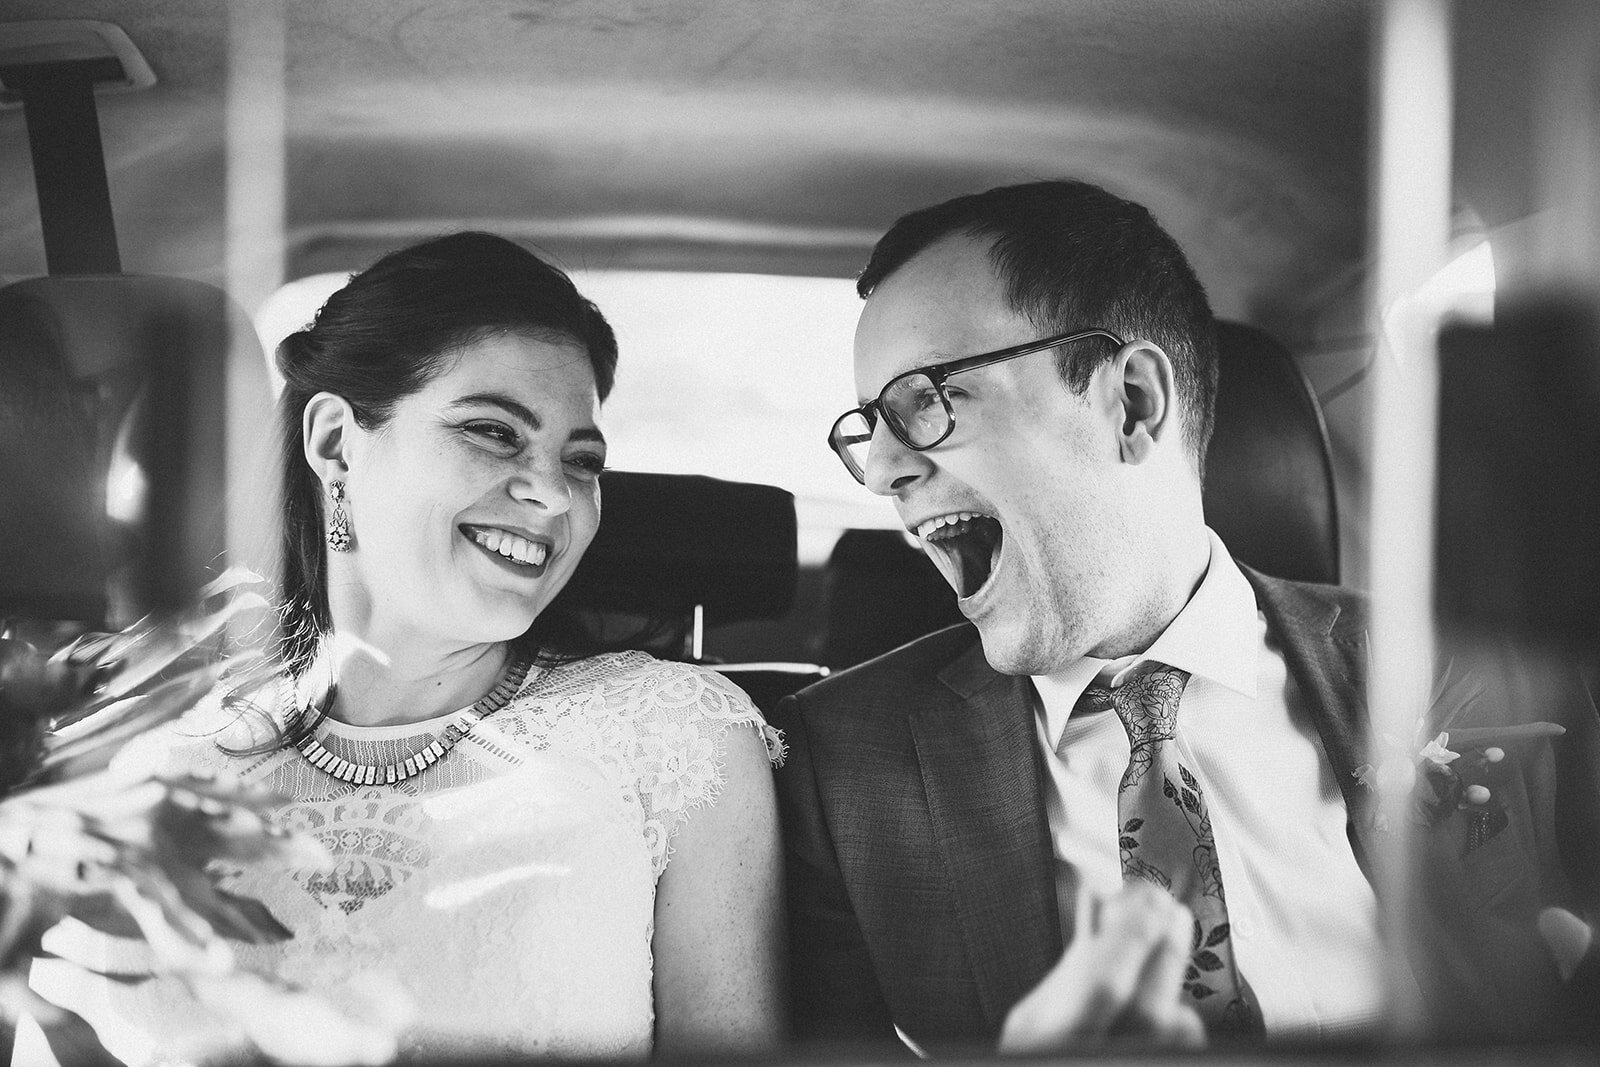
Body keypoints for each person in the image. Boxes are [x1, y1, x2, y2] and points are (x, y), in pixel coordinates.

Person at [773, 179, 1600, 1055]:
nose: (880, 472)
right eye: (870, 427)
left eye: (926, 402)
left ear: (1131, 402)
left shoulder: (1466, 665)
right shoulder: (840, 768)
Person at [24, 233, 785, 1064]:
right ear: (335, 444)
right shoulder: (137, 742)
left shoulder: (674, 737)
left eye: (582, 459)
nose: (553, 491)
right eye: (494, 432)